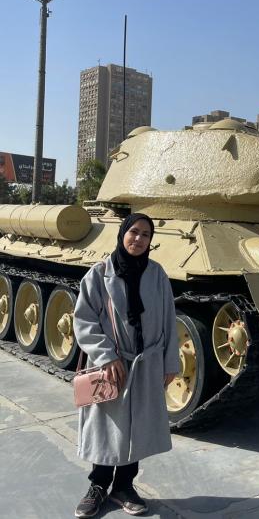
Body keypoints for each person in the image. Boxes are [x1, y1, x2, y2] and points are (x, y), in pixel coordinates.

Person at [73, 213, 180, 518]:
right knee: (108, 426)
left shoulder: (157, 274)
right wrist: (106, 355)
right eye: (133, 232)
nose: (138, 239)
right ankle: (97, 485)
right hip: (112, 364)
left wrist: (169, 361)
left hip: (147, 363)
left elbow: (169, 321)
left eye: (146, 234)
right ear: (122, 234)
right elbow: (84, 320)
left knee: (137, 426)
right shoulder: (99, 274)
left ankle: (124, 486)